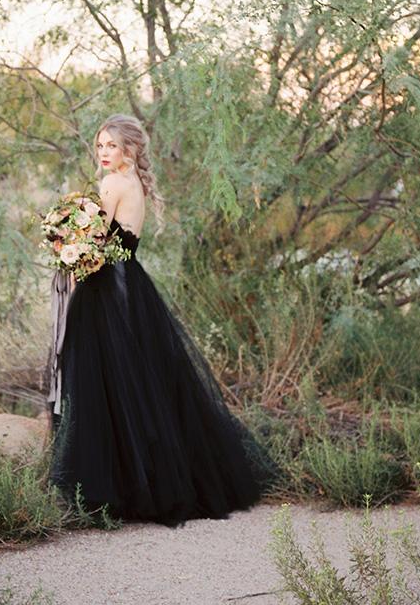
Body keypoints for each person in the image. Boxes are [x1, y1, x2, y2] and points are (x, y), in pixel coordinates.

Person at [47, 113, 275, 528]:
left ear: (130, 149)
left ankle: (113, 491)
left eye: (111, 146)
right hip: (129, 283)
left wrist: (65, 246)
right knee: (140, 384)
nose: (103, 153)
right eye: (99, 146)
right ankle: (148, 481)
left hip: (104, 290)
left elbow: (94, 243)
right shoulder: (133, 183)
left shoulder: (113, 183)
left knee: (106, 385)